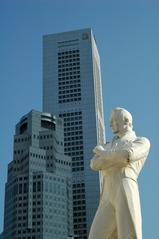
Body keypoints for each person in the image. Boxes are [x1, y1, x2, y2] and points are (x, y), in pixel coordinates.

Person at [88, 107, 150, 239]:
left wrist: (103, 153)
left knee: (127, 234)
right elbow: (94, 164)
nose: (110, 125)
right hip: (106, 195)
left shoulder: (141, 141)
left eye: (114, 121)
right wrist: (113, 156)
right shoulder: (109, 145)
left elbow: (127, 155)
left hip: (125, 186)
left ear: (126, 121)